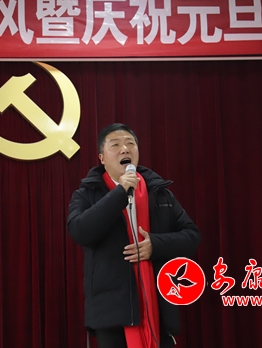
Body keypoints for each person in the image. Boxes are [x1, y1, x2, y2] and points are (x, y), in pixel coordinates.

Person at [68, 123, 201, 348]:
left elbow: (192, 236)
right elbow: (80, 231)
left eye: (130, 144)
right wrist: (120, 193)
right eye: (115, 145)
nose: (125, 149)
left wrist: (155, 245)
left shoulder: (159, 192)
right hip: (111, 312)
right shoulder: (87, 194)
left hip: (159, 307)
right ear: (102, 158)